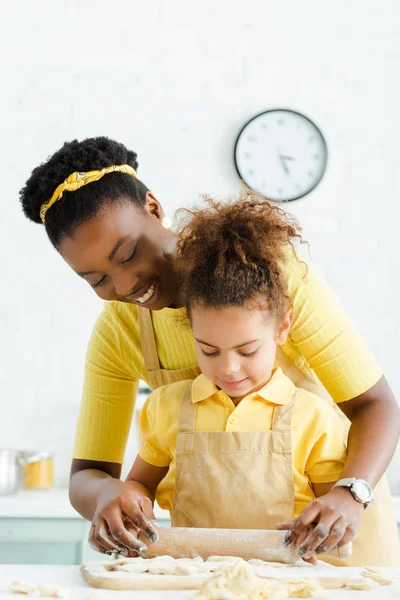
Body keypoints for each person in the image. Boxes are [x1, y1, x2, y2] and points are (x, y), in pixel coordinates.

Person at [19, 136, 400, 565]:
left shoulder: (272, 274)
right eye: (96, 280)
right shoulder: (117, 333)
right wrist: (109, 494)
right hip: (214, 563)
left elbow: (375, 404)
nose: (123, 286)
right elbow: (87, 476)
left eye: (127, 254)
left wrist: (354, 491)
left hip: (334, 537)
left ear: (153, 208)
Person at [126, 195, 354, 565]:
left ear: (282, 328)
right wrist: (131, 501)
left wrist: (325, 526)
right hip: (190, 583)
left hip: (285, 587)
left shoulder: (315, 419)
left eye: (247, 351)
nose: (229, 369)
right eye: (209, 351)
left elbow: (332, 517)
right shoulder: (166, 408)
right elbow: (140, 485)